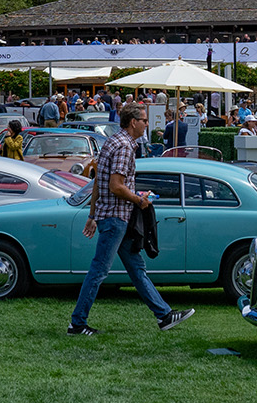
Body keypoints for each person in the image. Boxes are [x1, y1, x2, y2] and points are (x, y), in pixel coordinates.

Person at [68, 104, 194, 336]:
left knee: (136, 269)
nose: (147, 124)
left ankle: (164, 315)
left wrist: (93, 214)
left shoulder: (112, 142)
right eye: (144, 120)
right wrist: (139, 200)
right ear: (133, 121)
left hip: (112, 217)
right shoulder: (125, 147)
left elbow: (99, 182)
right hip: (117, 218)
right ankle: (77, 323)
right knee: (98, 271)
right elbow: (116, 186)